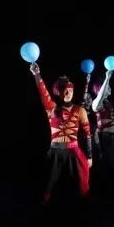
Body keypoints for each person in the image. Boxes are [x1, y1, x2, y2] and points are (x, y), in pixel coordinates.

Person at [30, 63, 93, 204]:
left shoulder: (80, 110)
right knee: (48, 183)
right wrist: (37, 75)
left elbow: (88, 133)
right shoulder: (52, 109)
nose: (68, 93)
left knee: (81, 183)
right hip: (55, 152)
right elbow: (43, 93)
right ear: (59, 92)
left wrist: (89, 156)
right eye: (64, 90)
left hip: (73, 151)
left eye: (70, 90)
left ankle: (83, 206)